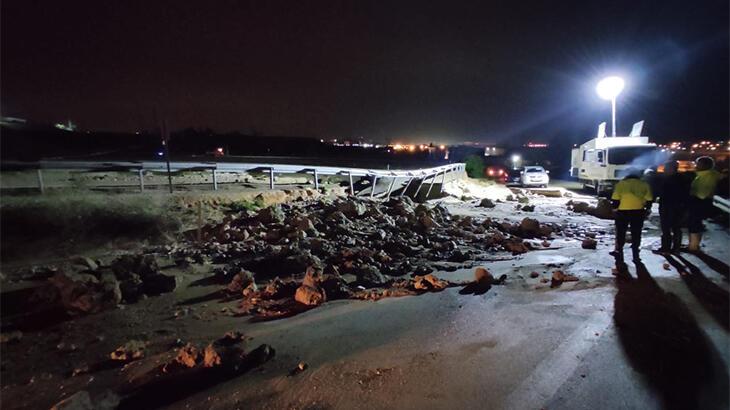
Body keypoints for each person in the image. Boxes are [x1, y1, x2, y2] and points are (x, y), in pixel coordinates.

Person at [609, 170, 653, 262]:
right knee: (636, 231)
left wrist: (614, 208)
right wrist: (647, 209)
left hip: (623, 211)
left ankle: (619, 249)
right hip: (638, 211)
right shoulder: (644, 184)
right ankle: (635, 251)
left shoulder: (621, 184)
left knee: (621, 231)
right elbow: (649, 199)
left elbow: (616, 198)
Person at [686, 156, 722, 252]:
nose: (696, 165)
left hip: (699, 202)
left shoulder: (708, 176)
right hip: (701, 201)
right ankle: (693, 245)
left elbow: (702, 193)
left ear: (705, 165)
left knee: (694, 224)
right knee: (695, 224)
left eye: (698, 164)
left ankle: (693, 247)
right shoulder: (707, 174)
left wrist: (692, 193)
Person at [654, 160, 689, 254]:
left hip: (668, 206)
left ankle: (666, 248)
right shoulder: (683, 178)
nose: (664, 170)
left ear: (671, 168)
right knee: (676, 228)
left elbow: (663, 193)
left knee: (666, 228)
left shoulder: (668, 179)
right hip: (679, 206)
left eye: (666, 168)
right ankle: (676, 248)